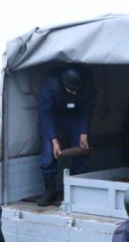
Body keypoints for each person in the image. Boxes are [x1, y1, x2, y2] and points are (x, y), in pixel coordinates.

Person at [37, 65, 96, 206]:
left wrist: (84, 133)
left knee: (81, 149)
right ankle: (50, 192)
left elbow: (86, 110)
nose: (74, 93)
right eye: (71, 90)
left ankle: (78, 189)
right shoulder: (49, 88)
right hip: (54, 117)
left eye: (77, 90)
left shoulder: (85, 87)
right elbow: (46, 115)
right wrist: (53, 139)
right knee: (48, 150)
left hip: (75, 117)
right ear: (63, 84)